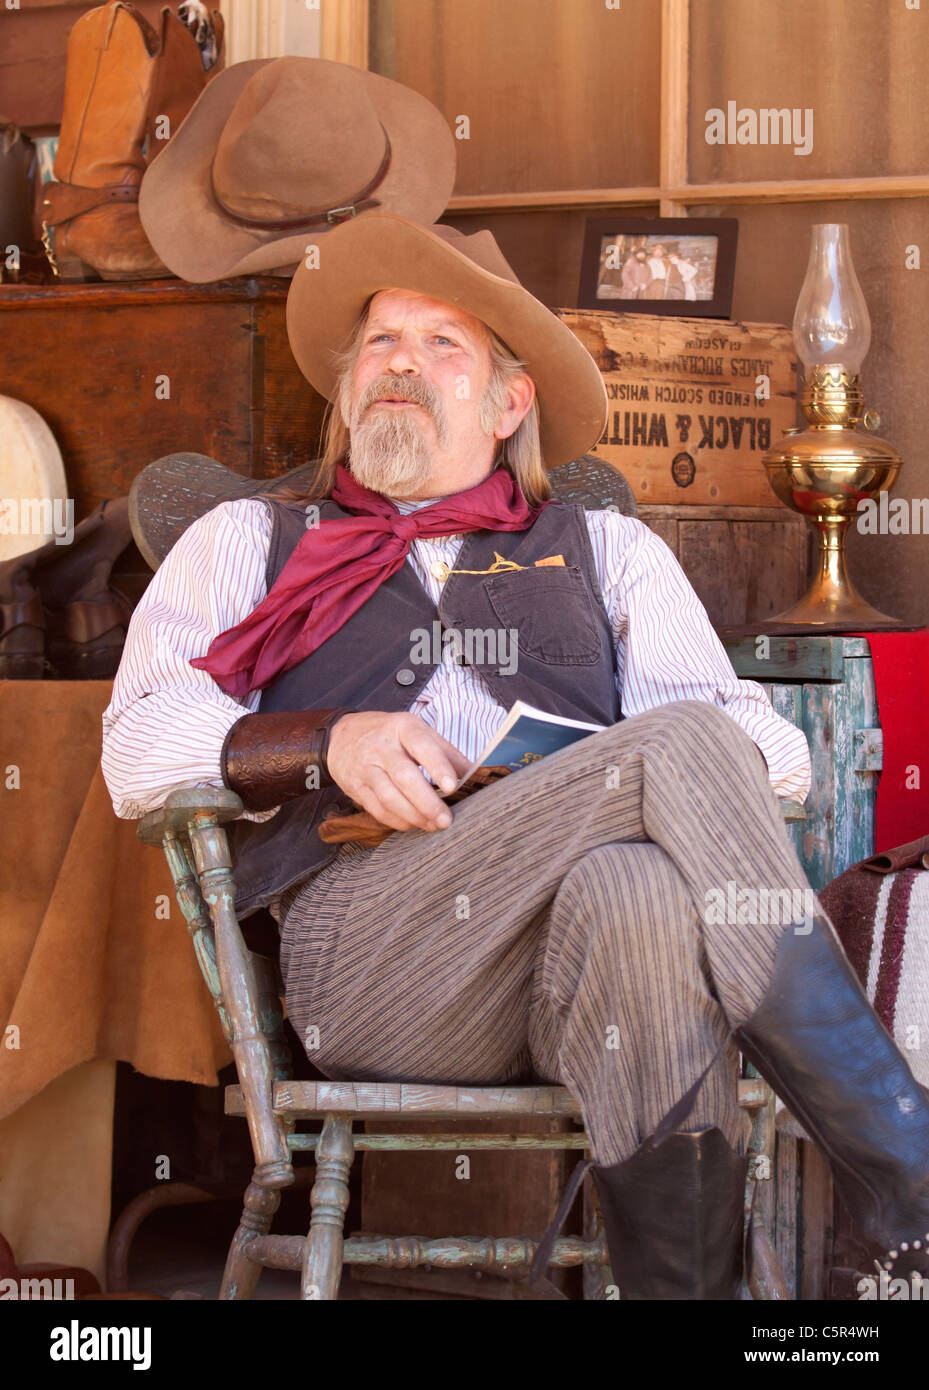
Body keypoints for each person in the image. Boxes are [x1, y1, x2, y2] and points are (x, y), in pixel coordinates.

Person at [102, 213, 929, 1300]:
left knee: (635, 883)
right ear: (349, 388)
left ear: (507, 403)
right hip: (368, 963)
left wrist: (569, 787)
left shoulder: (607, 551)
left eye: (441, 344)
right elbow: (132, 749)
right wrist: (324, 743)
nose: (400, 362)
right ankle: (901, 1169)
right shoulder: (250, 541)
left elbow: (776, 760)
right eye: (380, 344)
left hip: (567, 984)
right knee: (675, 748)